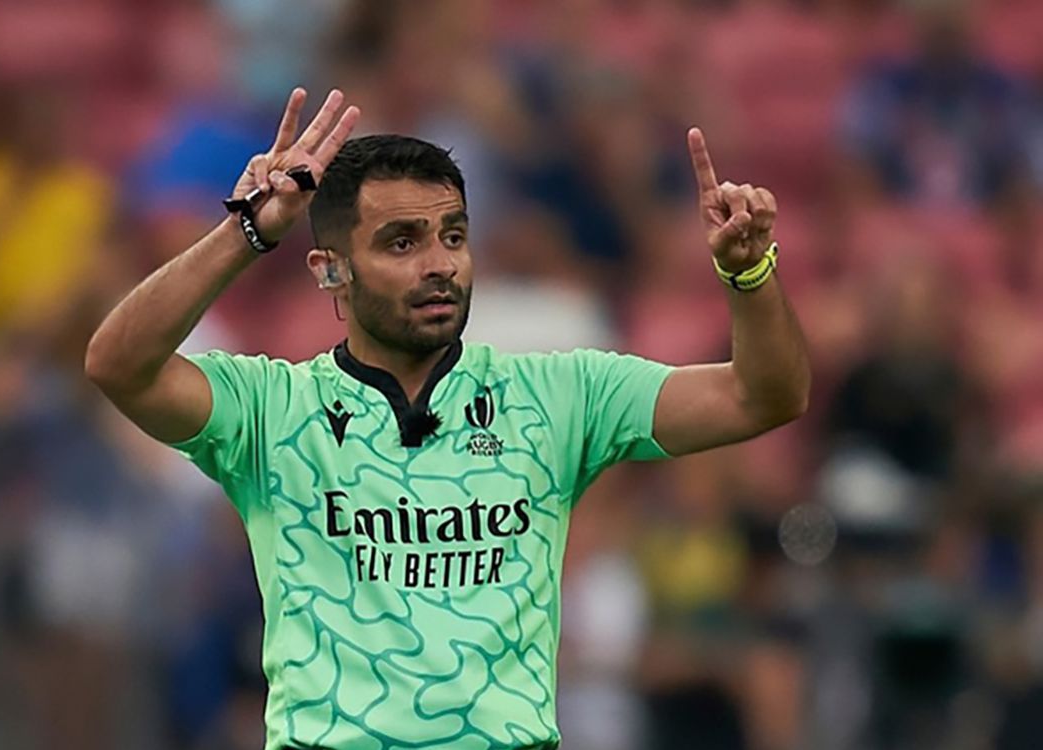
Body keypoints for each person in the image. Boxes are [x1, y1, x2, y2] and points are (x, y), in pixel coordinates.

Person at [85, 87, 810, 749]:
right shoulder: (273, 410)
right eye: (402, 243)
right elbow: (118, 363)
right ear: (331, 269)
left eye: (454, 236)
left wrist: (749, 273)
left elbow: (762, 397)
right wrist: (246, 232)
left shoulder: (559, 395)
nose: (441, 264)